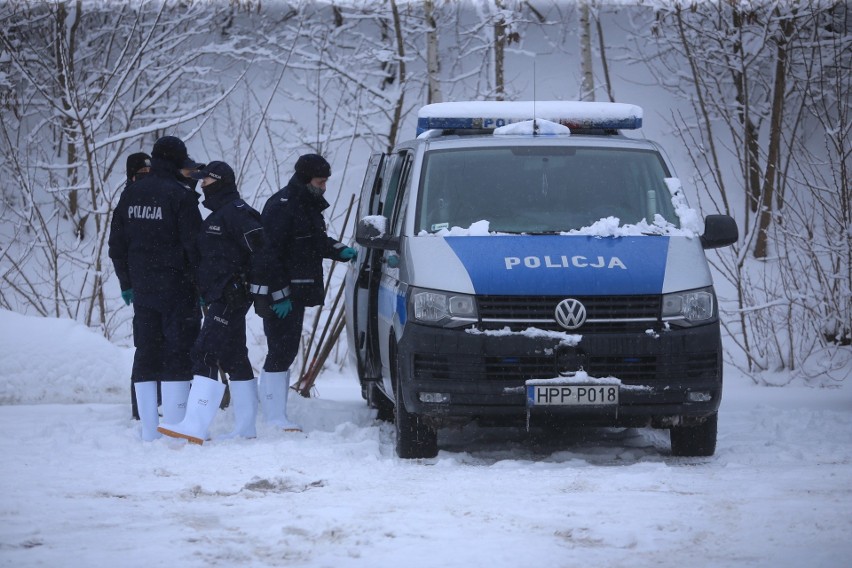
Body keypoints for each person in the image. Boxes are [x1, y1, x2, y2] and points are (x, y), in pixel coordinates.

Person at [158, 161, 265, 444]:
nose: (202, 187)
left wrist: (247, 285)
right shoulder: (219, 214)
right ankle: (245, 429)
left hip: (231, 297)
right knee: (234, 357)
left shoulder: (237, 213)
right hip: (219, 295)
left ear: (219, 182)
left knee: (204, 353)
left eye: (205, 182)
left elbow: (263, 251)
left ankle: (194, 425)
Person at [108, 136, 204, 441]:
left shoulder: (131, 193)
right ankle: (175, 426)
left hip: (143, 290)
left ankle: (148, 428)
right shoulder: (180, 196)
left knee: (147, 351)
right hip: (179, 288)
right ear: (177, 161)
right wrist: (203, 287)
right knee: (179, 352)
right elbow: (194, 248)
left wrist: (127, 282)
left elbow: (117, 244)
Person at [252, 154, 356, 432]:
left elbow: (313, 242)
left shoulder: (306, 206)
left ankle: (277, 412)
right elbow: (268, 254)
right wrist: (279, 294)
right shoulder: (281, 206)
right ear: (305, 178)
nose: (324, 187)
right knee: (280, 351)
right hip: (281, 294)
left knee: (285, 351)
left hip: (295, 293)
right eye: (320, 181)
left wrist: (338, 250)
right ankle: (273, 417)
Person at [122, 152, 153, 421]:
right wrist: (126, 283)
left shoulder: (156, 197)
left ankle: (159, 403)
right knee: (145, 348)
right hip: (142, 287)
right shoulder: (127, 200)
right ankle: (140, 410)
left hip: (159, 285)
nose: (146, 180)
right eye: (141, 175)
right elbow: (116, 246)